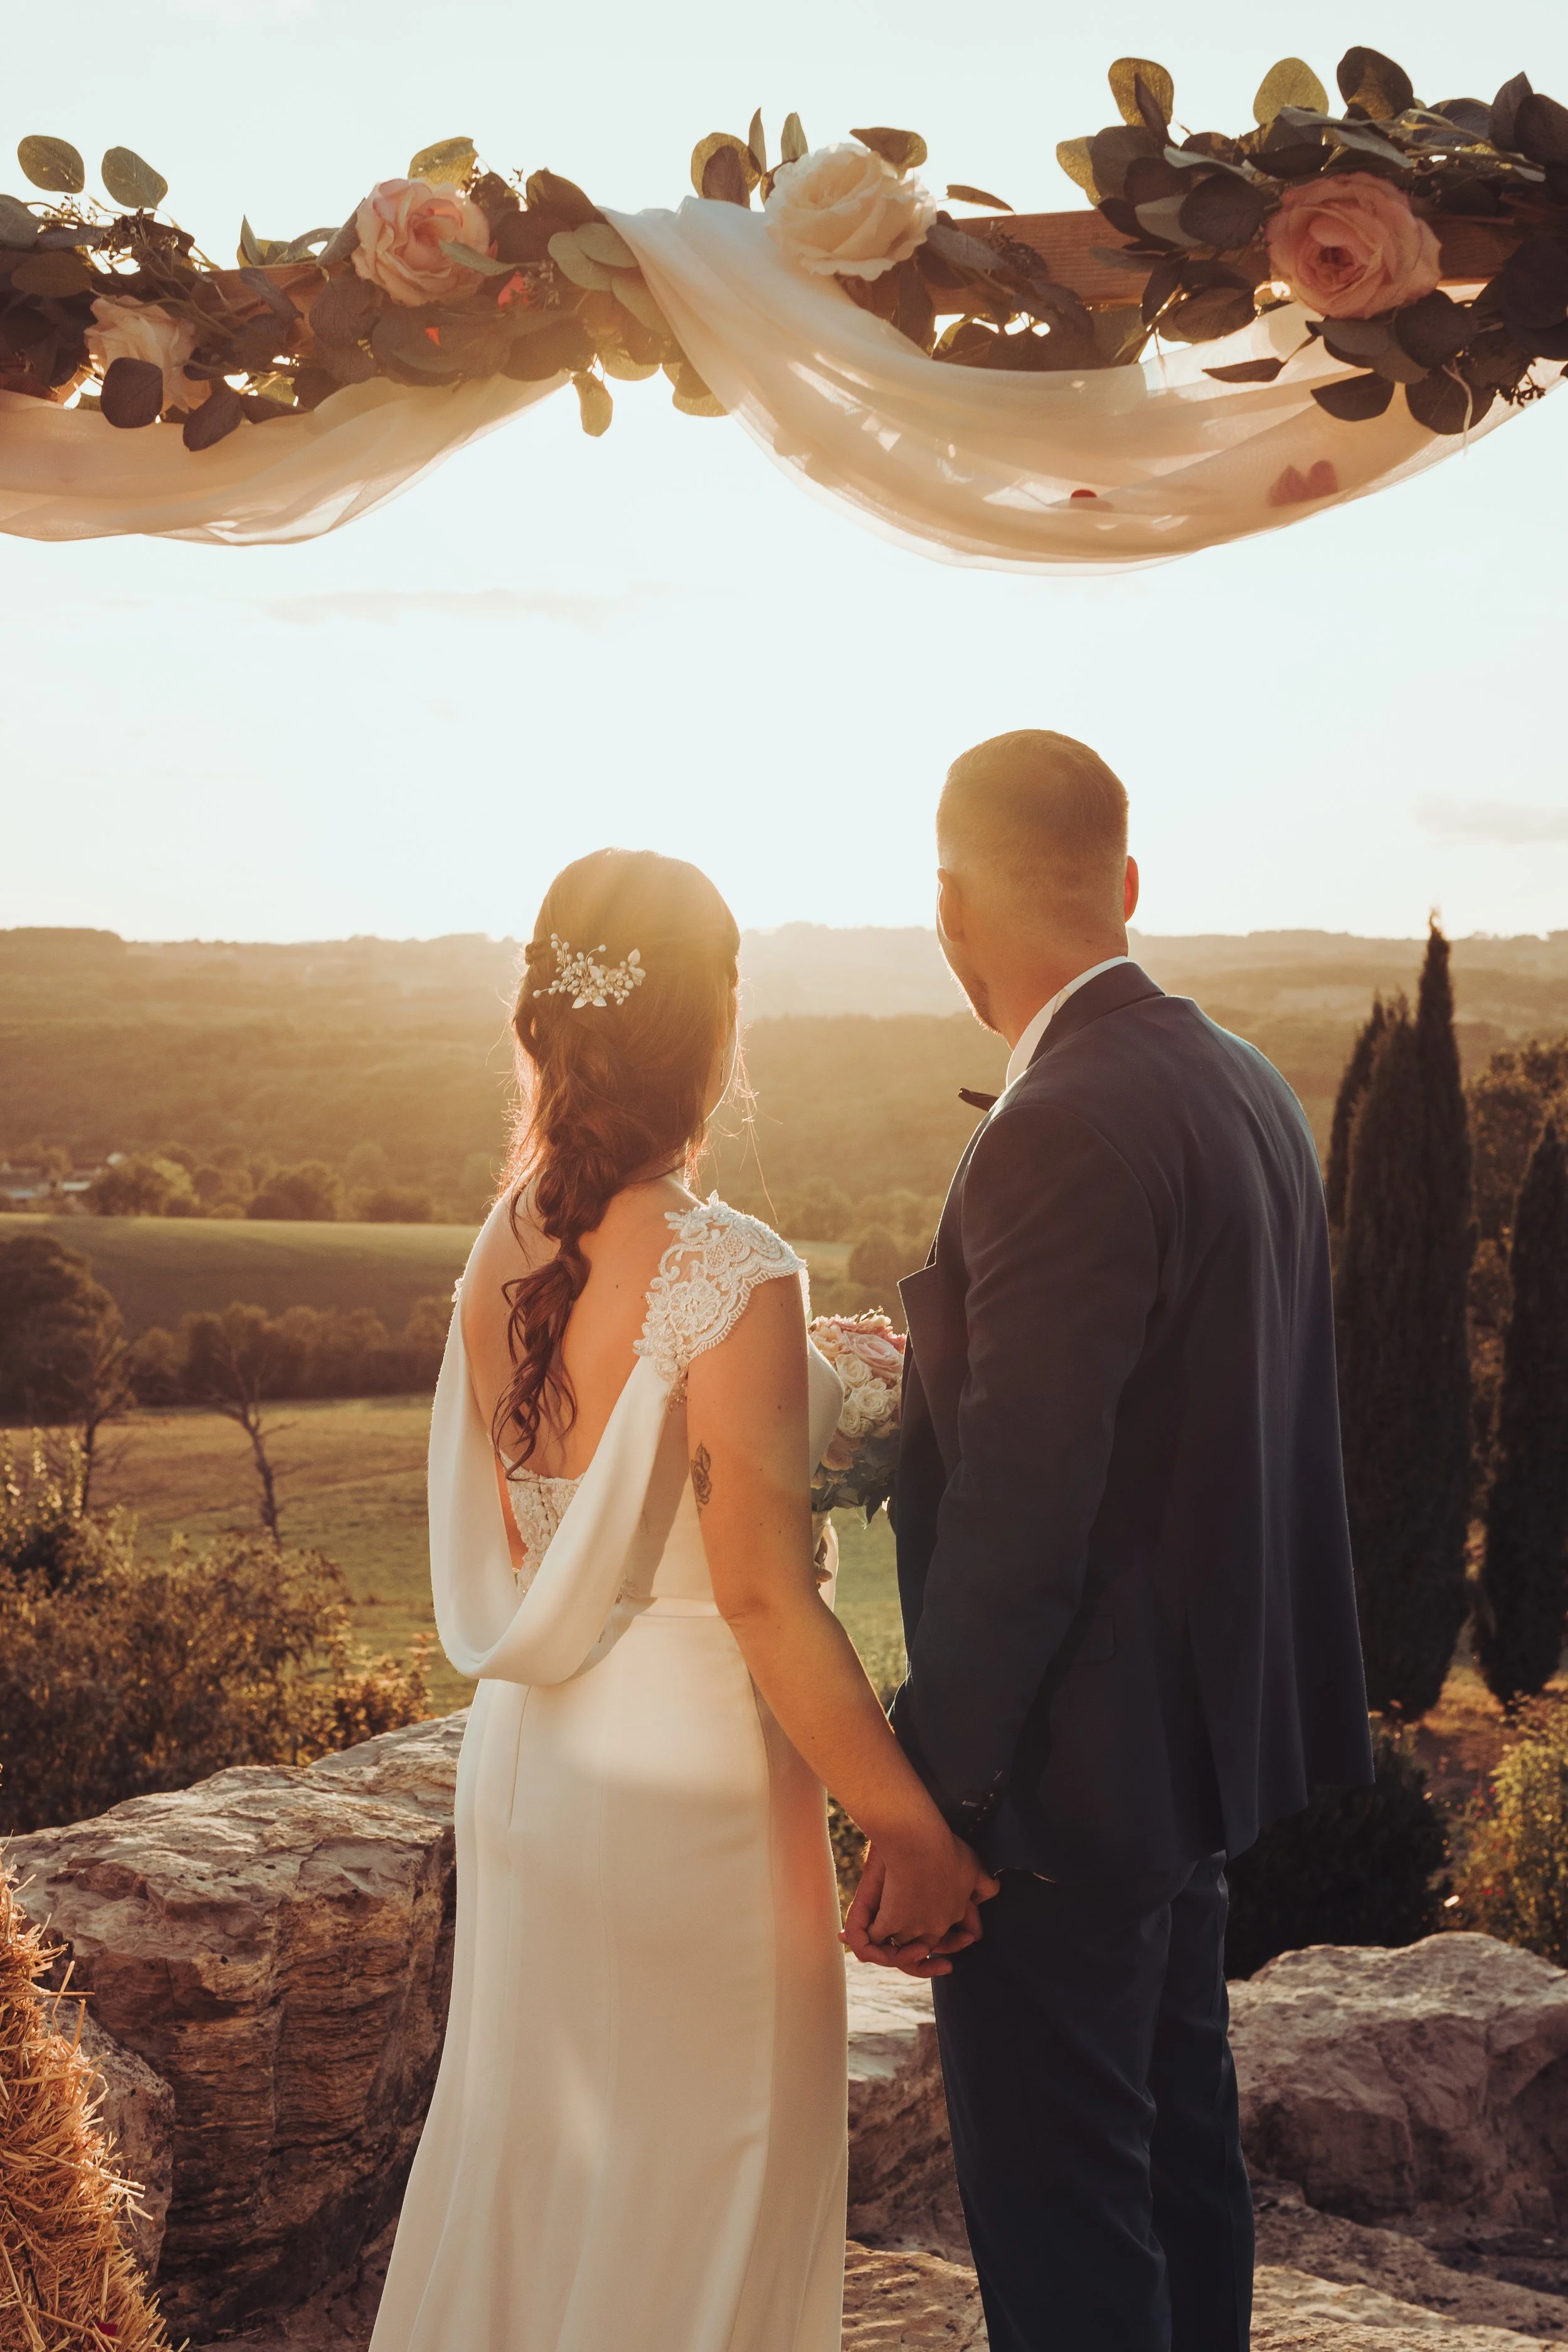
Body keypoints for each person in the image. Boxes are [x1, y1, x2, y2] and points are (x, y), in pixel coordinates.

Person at [369, 847, 995, 2352]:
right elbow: (761, 1601)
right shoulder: (732, 1268)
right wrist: (908, 1827)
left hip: (532, 1758)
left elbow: (550, 1515)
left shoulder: (506, 1240)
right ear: (715, 1024)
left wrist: (810, 1398)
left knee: (543, 2175)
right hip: (689, 1785)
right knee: (707, 2176)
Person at [845, 732, 1373, 2351]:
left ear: (948, 908)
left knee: (1065, 2226)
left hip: (1060, 1791)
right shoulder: (1244, 1080)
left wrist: (936, 1801)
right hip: (1192, 1763)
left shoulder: (1056, 1123)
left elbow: (1023, 1512)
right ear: (1127, 882)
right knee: (1178, 2168)